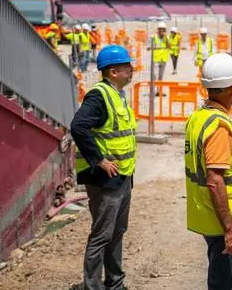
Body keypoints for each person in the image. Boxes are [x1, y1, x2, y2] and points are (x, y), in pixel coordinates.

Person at [185, 53, 232, 290]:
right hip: (227, 222)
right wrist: (230, 231)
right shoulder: (218, 127)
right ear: (229, 88)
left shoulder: (199, 116)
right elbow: (215, 181)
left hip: (213, 218)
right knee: (229, 282)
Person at [70, 45, 137, 290]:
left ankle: (115, 283)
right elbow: (78, 127)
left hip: (122, 177)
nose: (132, 70)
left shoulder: (117, 94)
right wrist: (98, 160)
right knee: (102, 235)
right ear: (113, 71)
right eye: (127, 67)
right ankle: (92, 286)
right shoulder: (99, 95)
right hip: (105, 180)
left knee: (117, 232)